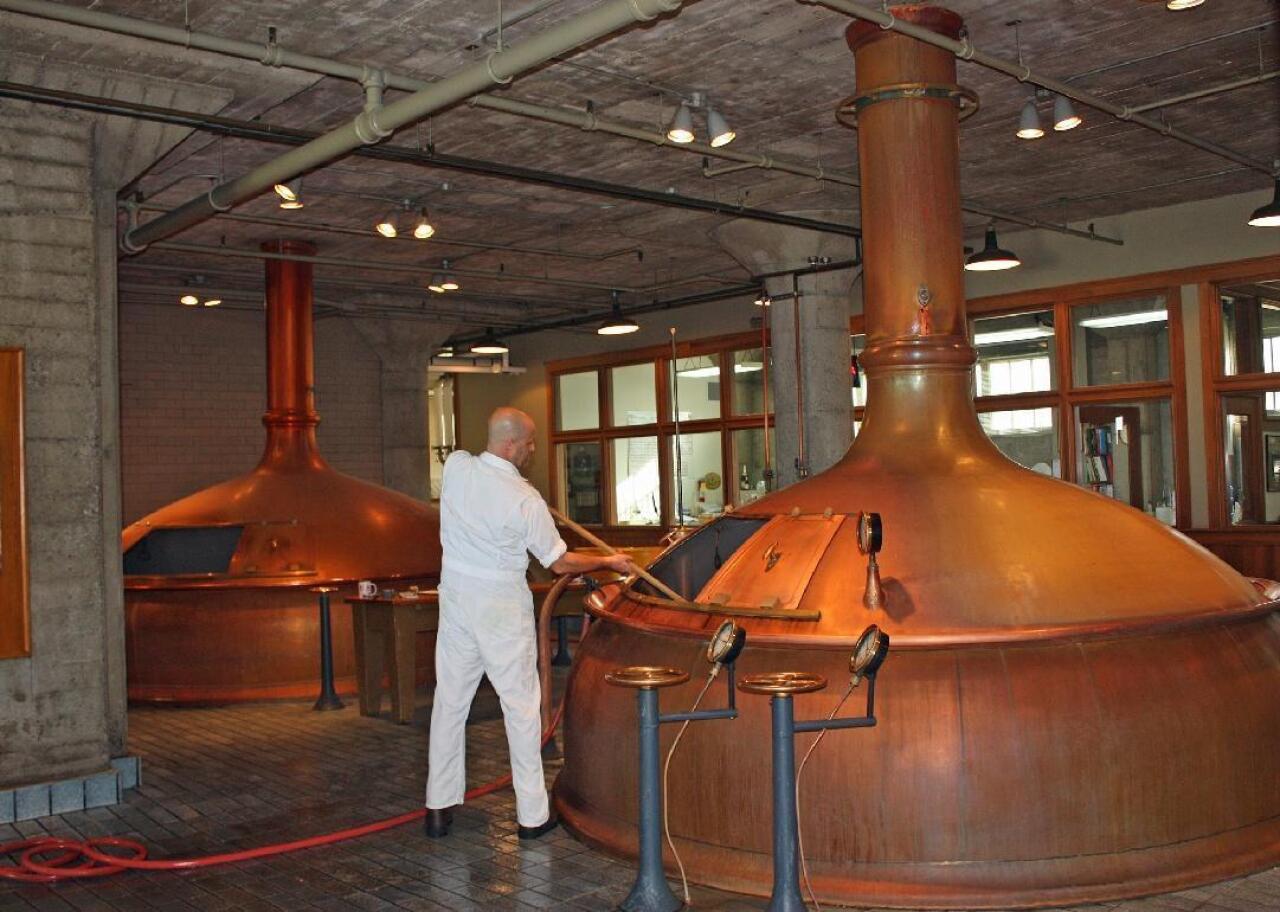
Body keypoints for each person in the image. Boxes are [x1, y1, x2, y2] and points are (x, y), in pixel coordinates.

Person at [424, 407, 636, 840]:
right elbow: (559, 563)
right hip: (500, 606)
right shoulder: (524, 499)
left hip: (457, 602)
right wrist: (609, 561)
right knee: (520, 708)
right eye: (530, 442)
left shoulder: (457, 468)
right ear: (511, 444)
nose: (533, 449)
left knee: (449, 703)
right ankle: (532, 816)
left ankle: (438, 808)